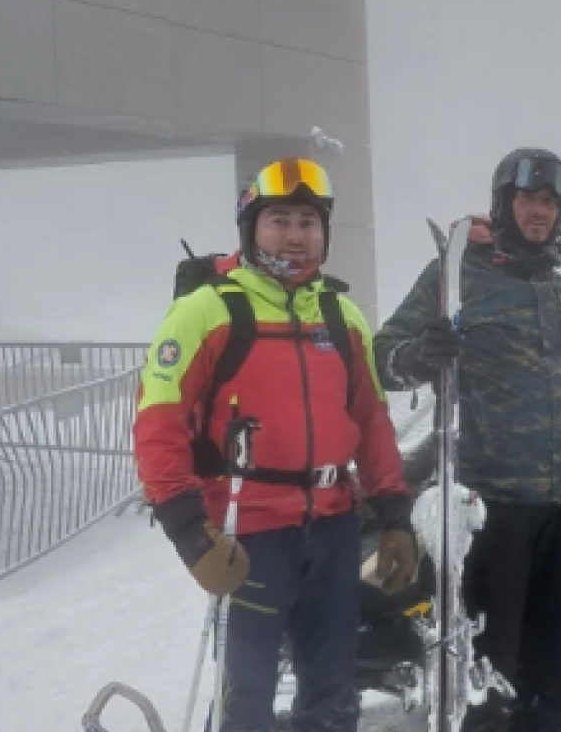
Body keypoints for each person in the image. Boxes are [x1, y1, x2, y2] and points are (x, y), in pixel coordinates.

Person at [134, 157, 418, 732]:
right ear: (251, 228)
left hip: (333, 530)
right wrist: (190, 533)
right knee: (248, 696)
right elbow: (156, 424)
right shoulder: (207, 311)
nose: (294, 235)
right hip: (248, 533)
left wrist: (395, 517)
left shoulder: (342, 315)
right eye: (279, 220)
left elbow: (371, 421)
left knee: (333, 692)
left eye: (308, 222)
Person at [373, 147, 561, 732]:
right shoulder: (458, 274)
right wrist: (418, 356)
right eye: (528, 199)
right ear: (504, 203)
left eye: (550, 202)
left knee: (557, 671)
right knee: (490, 678)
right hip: (492, 510)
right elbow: (382, 355)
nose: (539, 211)